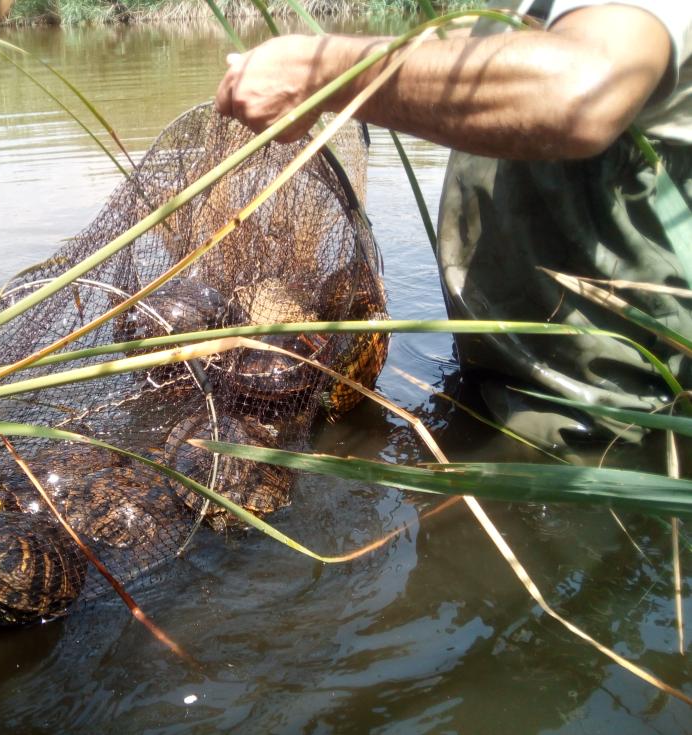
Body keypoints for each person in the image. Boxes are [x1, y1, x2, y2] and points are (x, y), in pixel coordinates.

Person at [215, 1, 692, 453]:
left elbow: (580, 88)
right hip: (511, 382)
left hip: (601, 419)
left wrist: (323, 69)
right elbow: (498, 43)